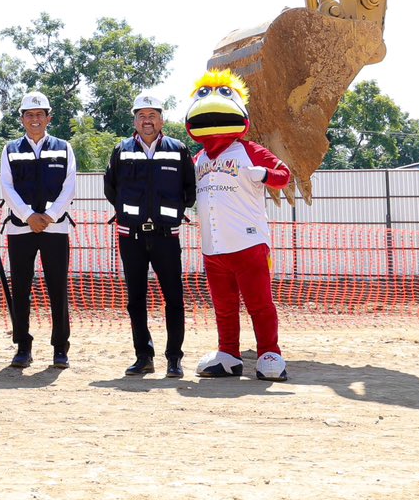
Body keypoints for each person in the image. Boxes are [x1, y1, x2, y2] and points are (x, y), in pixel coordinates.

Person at [183, 69, 293, 381]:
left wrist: (266, 175)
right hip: (213, 247)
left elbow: (284, 174)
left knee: (260, 304)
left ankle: (269, 353)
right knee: (224, 307)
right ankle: (229, 354)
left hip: (249, 243)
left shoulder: (249, 149)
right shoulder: (199, 157)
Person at [106, 92, 196, 378]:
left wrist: (167, 213)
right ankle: (143, 356)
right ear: (134, 120)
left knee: (174, 298)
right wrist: (130, 213)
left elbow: (189, 190)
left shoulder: (178, 149)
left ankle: (174, 359)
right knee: (136, 299)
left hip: (166, 236)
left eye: (152, 115)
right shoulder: (121, 150)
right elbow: (111, 188)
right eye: (142, 116)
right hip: (130, 236)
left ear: (162, 119)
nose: (147, 121)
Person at [0, 90, 76, 369]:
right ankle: (22, 346)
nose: (34, 119)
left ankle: (60, 349)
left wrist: (50, 216)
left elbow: (69, 187)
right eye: (29, 115)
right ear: (22, 119)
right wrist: (29, 215)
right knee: (20, 288)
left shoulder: (64, 147)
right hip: (21, 229)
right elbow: (6, 188)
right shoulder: (10, 149)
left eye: (39, 115)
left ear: (48, 118)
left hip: (56, 228)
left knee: (58, 288)